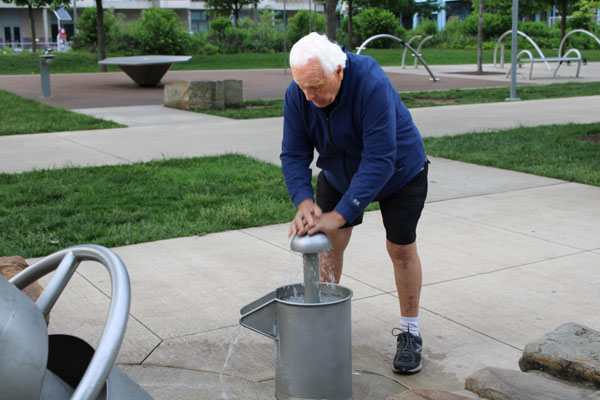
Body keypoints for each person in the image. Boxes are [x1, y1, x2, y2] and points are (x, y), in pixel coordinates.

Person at [280, 32, 429, 374]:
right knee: (329, 245)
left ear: (339, 72)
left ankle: (410, 332)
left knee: (401, 249)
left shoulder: (370, 81)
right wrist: (303, 201)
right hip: (338, 171)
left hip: (400, 172)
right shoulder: (299, 93)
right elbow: (294, 152)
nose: (308, 95)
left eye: (315, 86)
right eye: (302, 86)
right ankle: (326, 323)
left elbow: (380, 160)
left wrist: (342, 213)